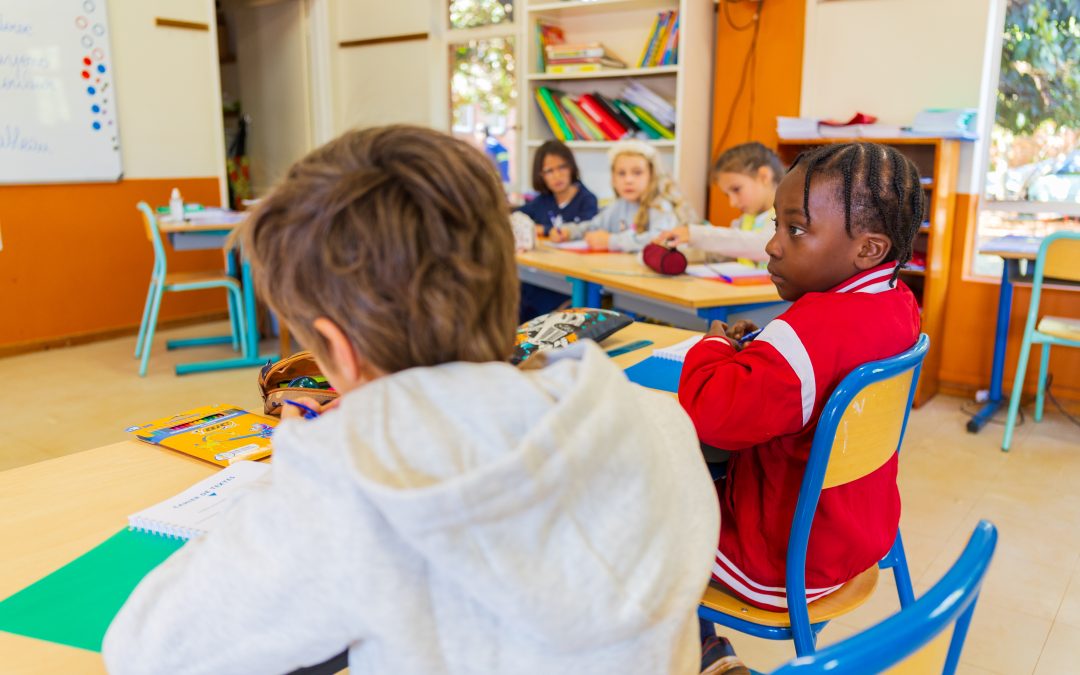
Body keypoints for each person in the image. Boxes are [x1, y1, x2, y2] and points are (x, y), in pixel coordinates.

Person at [102, 125, 720, 675]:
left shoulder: (351, 489)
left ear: (336, 351)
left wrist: (301, 462)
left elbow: (146, 649)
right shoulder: (657, 419)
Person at [679, 142, 923, 612]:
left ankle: (701, 648)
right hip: (857, 531)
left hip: (781, 558)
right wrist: (767, 346)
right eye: (776, 225)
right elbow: (813, 365)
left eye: (796, 230)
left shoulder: (807, 334)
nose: (773, 245)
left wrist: (711, 345)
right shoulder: (898, 303)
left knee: (629, 499)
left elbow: (709, 416)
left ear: (869, 249)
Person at [550, 140, 695, 253]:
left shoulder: (660, 206)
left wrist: (611, 241)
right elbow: (593, 226)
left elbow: (660, 240)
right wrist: (569, 232)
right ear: (613, 179)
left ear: (652, 176)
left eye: (637, 172)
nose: (628, 180)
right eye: (621, 173)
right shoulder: (618, 206)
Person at [654, 142, 783, 265]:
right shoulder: (746, 220)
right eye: (727, 195)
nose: (732, 203)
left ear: (764, 176)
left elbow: (763, 245)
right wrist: (673, 250)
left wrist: (695, 234)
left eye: (736, 189)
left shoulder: (788, 217)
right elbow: (723, 250)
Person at [516, 139, 599, 236]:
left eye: (562, 167)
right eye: (549, 171)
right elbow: (515, 217)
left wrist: (544, 229)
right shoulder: (541, 201)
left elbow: (587, 228)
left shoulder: (588, 200)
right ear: (540, 175)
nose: (557, 176)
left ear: (571, 167)